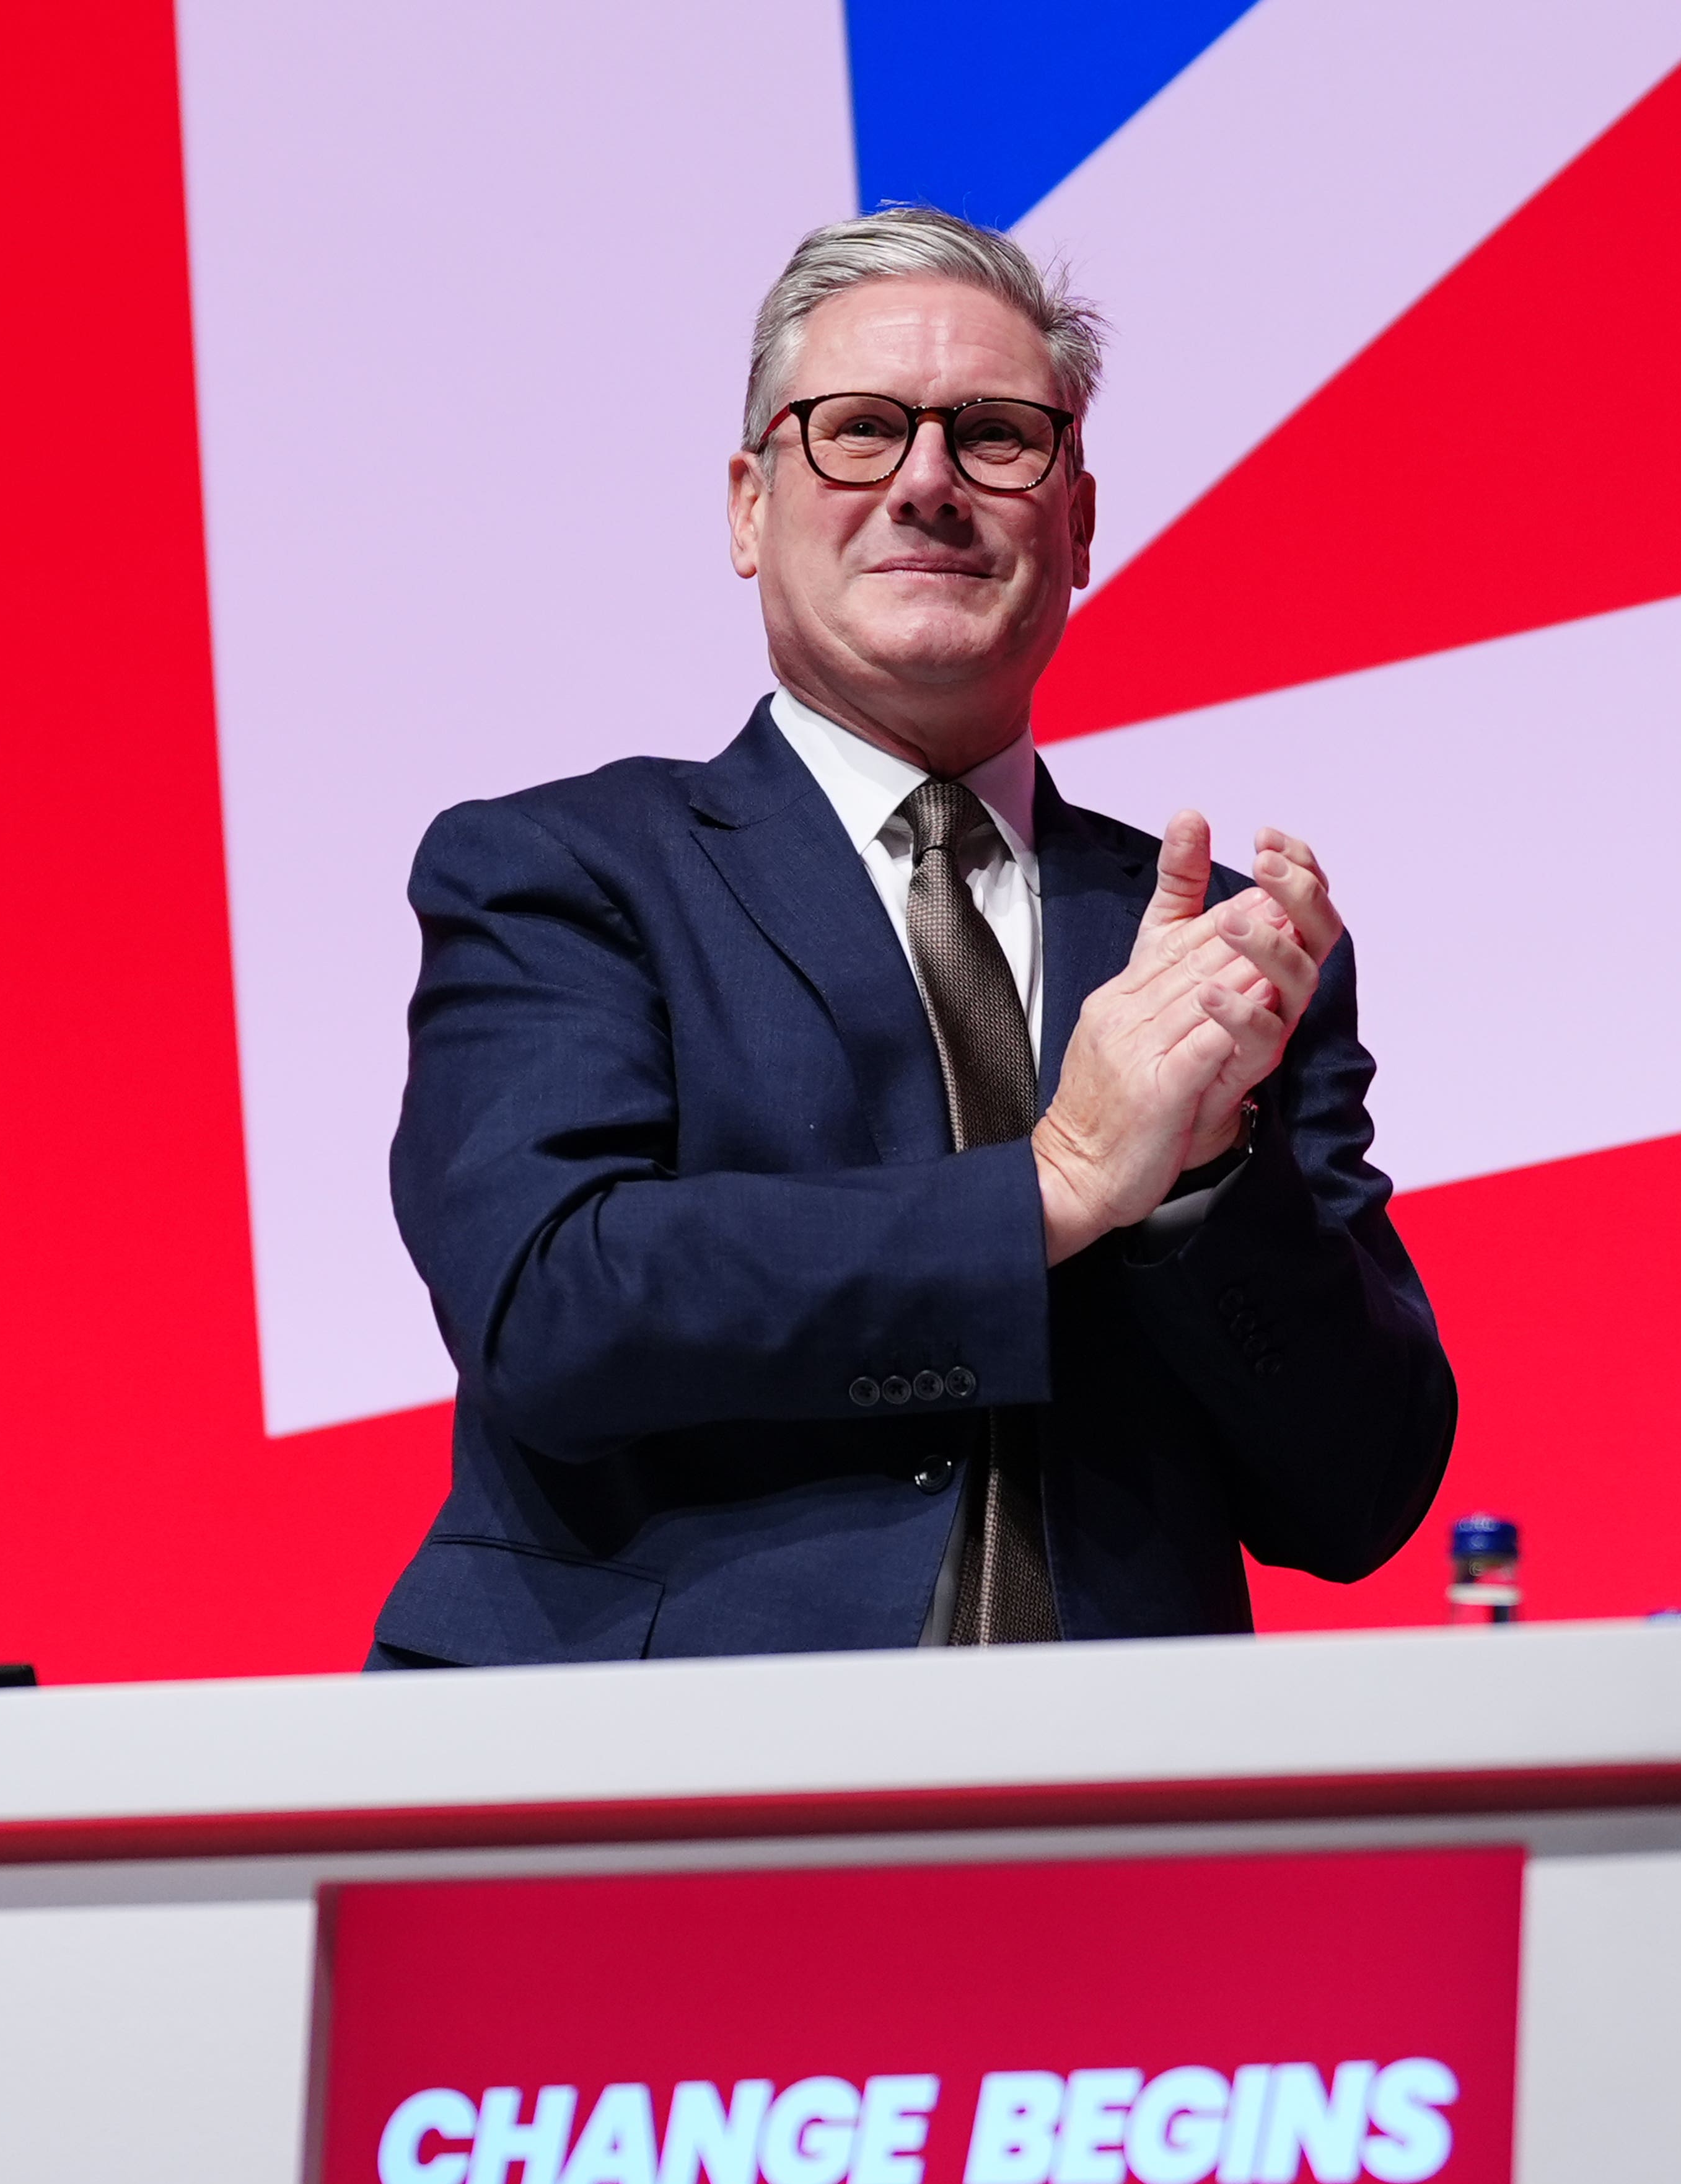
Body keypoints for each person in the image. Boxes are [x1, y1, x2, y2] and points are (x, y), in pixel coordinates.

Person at [374, 209, 1454, 1667]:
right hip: (650, 1793)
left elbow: (1360, 1489)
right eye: (861, 430)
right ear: (750, 508)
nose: (929, 484)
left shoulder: (1202, 957)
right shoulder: (563, 871)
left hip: (1115, 1816)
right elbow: (552, 1306)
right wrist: (1060, 1182)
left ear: (1075, 522)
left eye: (998, 435)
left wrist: (1201, 1182)